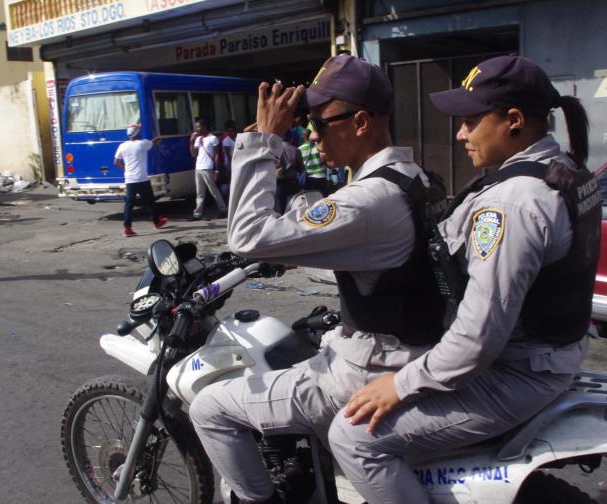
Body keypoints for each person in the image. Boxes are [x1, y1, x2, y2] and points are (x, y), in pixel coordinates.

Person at [327, 54, 602, 503]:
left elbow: (478, 337)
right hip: (552, 352)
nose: (459, 133)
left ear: (513, 120)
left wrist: (399, 384)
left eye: (470, 121)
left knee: (355, 437)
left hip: (516, 370)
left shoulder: (513, 203)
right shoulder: (564, 171)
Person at [189, 54, 447, 504]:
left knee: (209, 407)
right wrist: (299, 256)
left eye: (318, 122)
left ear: (361, 122)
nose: (309, 133)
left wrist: (265, 140)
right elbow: (385, 261)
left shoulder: (368, 199)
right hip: (410, 348)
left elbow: (247, 238)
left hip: (365, 371)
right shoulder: (415, 178)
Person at [114, 124, 167, 236]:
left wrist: (126, 169)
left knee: (129, 204)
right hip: (142, 179)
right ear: (137, 133)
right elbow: (154, 142)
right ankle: (157, 222)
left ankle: (127, 228)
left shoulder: (122, 146)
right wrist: (158, 138)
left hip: (130, 179)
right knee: (150, 202)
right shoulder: (142, 144)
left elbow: (116, 162)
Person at [189, 119, 227, 220]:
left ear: (205, 127)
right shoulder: (198, 139)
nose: (197, 129)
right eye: (196, 127)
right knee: (200, 193)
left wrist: (217, 170)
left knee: (213, 191)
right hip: (199, 168)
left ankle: (223, 210)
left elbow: (217, 155)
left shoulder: (213, 138)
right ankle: (197, 214)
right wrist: (191, 142)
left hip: (208, 168)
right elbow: (194, 154)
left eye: (199, 126)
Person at [274, 130, 304, 212]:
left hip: (278, 183)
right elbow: (301, 169)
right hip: (292, 184)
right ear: (291, 138)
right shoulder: (296, 150)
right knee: (293, 209)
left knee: (279, 209)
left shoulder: (274, 150)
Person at [298, 128, 330, 195]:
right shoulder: (318, 147)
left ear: (303, 137)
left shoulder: (299, 149)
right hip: (321, 177)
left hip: (308, 179)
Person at [217, 120, 237, 202]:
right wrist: (232, 164)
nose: (230, 133)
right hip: (229, 163)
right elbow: (228, 155)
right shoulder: (226, 141)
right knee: (231, 180)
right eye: (229, 131)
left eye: (232, 131)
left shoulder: (236, 139)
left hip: (236, 161)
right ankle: (230, 198)